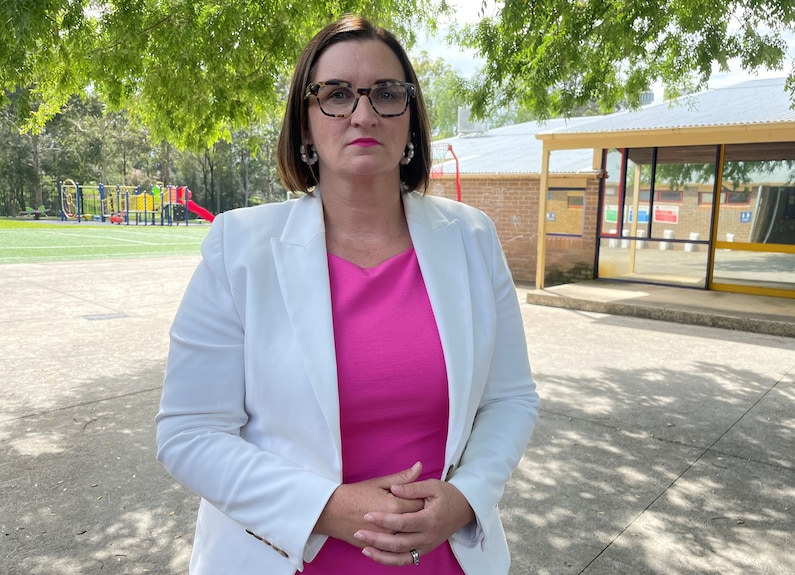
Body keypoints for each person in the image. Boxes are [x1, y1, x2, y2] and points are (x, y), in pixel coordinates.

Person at [155, 14, 539, 574]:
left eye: (386, 94)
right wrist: (328, 509)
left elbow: (511, 399)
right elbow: (189, 433)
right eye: (336, 94)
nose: (363, 113)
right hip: (283, 557)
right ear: (305, 125)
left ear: (411, 119)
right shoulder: (239, 248)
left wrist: (465, 499)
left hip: (443, 559)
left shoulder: (473, 238)